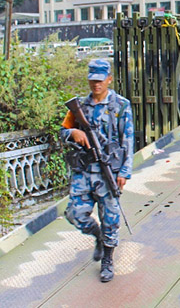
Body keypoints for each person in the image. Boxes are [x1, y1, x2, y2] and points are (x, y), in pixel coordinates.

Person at [61, 58, 134, 283]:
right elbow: (63, 132)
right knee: (74, 214)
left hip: (108, 172)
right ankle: (98, 236)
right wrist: (73, 134)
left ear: (109, 79)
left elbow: (128, 139)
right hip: (84, 171)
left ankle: (107, 260)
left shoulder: (120, 105)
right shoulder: (80, 107)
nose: (96, 85)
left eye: (100, 80)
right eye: (92, 80)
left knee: (110, 218)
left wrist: (124, 171)